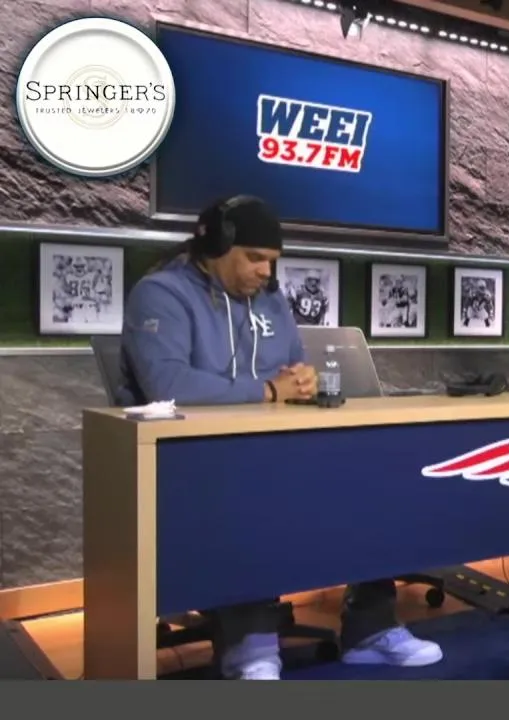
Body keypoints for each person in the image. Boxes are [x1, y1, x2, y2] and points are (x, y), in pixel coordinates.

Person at [119, 195, 442, 680]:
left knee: (373, 477)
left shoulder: (271, 301)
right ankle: (248, 646)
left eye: (272, 260)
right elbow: (169, 385)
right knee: (248, 491)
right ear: (216, 246)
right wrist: (269, 390)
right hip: (192, 460)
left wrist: (304, 381)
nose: (266, 272)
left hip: (274, 448)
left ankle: (370, 628)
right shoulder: (162, 293)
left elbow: (293, 368)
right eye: (254, 258)